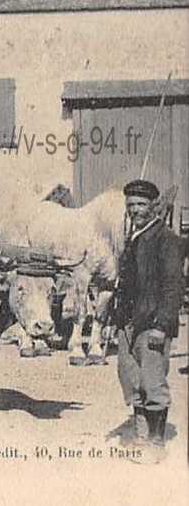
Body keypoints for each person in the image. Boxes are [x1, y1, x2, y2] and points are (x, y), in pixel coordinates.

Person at [112, 179, 185, 463]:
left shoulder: (165, 239)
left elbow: (173, 286)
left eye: (141, 204)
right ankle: (141, 438)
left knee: (153, 383)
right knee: (132, 381)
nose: (135, 210)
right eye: (131, 204)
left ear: (154, 206)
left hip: (152, 324)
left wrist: (161, 325)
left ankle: (156, 444)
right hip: (128, 325)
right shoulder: (134, 238)